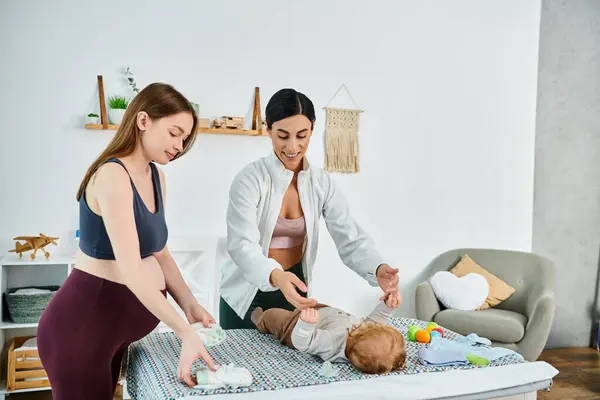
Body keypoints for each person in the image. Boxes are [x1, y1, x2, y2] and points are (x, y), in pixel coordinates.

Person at [37, 83, 218, 399]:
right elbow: (132, 270)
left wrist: (190, 305)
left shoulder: (156, 177)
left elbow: (160, 253)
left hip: (111, 335)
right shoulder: (112, 176)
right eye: (174, 133)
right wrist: (184, 332)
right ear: (144, 120)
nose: (179, 145)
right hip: (80, 331)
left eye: (185, 138)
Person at [219, 88, 401, 329]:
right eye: (282, 136)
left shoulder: (321, 183)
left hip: (293, 293)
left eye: (301, 135)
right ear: (268, 130)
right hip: (245, 296)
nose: (292, 146)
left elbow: (350, 239)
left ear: (312, 131)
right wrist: (276, 275)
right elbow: (241, 246)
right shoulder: (250, 180)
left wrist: (377, 268)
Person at [251, 291, 405, 374]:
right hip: (321, 312)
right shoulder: (363, 338)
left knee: (273, 315)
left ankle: (259, 319)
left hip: (293, 327)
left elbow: (304, 343)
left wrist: (305, 325)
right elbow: (375, 321)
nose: (364, 324)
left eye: (360, 328)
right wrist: (387, 307)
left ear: (353, 337)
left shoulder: (331, 344)